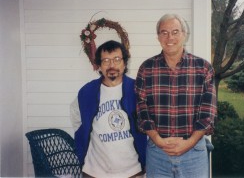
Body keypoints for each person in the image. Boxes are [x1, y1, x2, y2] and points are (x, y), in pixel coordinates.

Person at [135, 14, 217, 178]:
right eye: (164, 32)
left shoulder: (203, 68)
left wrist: (189, 143)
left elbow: (208, 113)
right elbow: (141, 110)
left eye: (175, 32)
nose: (169, 37)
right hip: (158, 155)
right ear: (158, 36)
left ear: (184, 34)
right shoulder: (146, 69)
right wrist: (158, 141)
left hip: (194, 154)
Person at [70, 40, 147, 178]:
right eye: (106, 60)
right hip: (93, 171)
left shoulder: (138, 89)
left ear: (124, 63)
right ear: (99, 66)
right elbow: (76, 116)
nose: (112, 65)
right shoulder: (87, 92)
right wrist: (82, 136)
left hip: (133, 171)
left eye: (117, 59)